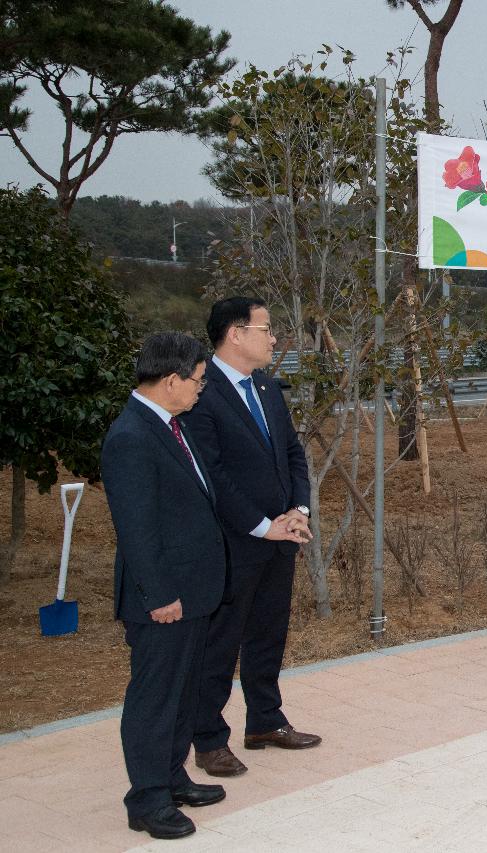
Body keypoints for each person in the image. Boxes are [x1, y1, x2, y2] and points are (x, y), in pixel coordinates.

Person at [184, 297, 317, 778]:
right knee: (221, 641)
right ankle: (207, 738)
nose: (274, 338)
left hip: (282, 536)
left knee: (268, 634)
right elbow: (212, 473)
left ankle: (265, 720)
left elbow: (291, 451)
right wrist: (263, 525)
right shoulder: (201, 390)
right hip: (234, 541)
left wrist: (298, 510)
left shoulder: (264, 385)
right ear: (235, 334)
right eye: (266, 329)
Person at [102, 332, 229, 839]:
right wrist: (159, 596)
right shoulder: (132, 436)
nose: (202, 389)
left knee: (182, 691)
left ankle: (172, 776)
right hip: (164, 599)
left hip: (193, 591)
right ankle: (147, 799)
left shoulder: (172, 425)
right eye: (198, 380)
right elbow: (136, 528)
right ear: (171, 380)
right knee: (155, 699)